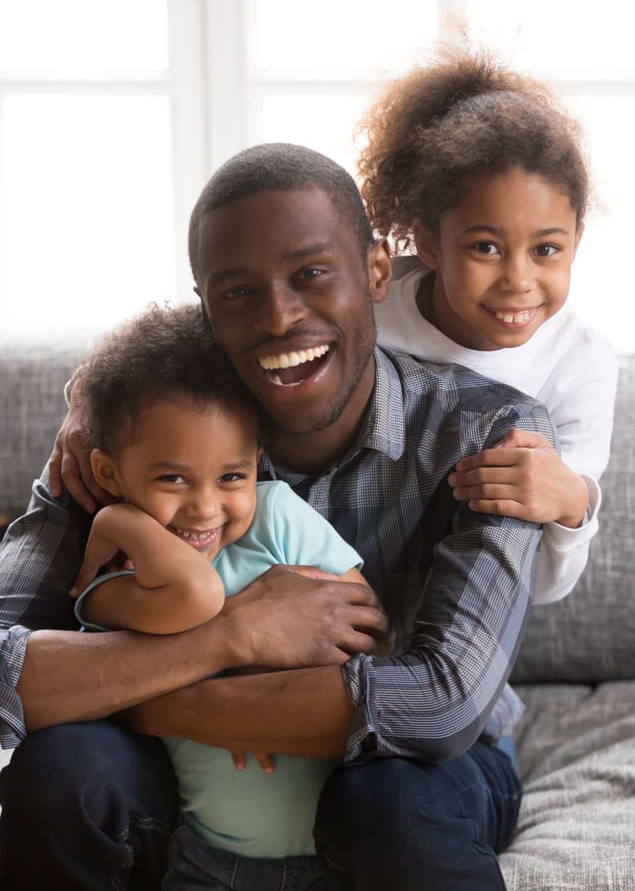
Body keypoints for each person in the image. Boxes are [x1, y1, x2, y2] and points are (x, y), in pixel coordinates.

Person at [0, 142, 557, 891]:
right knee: (63, 770)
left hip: (415, 777)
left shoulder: (484, 433)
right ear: (204, 310)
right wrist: (233, 634)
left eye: (311, 274)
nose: (279, 316)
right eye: (237, 293)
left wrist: (146, 697)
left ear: (375, 271)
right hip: (186, 780)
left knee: (393, 803)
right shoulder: (133, 444)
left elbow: (440, 705)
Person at [68, 301, 367, 889]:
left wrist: (248, 698)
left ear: (257, 463)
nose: (206, 507)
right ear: (109, 475)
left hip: (342, 853)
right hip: (209, 862)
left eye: (233, 477)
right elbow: (198, 594)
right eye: (172, 478)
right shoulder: (118, 581)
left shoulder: (278, 515)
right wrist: (116, 526)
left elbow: (371, 638)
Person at [359, 42, 617, 604]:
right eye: (485, 247)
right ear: (428, 241)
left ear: (576, 241)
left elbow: (545, 590)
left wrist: (572, 503)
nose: (518, 280)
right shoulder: (368, 315)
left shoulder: (580, 363)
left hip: (460, 629)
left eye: (547, 249)